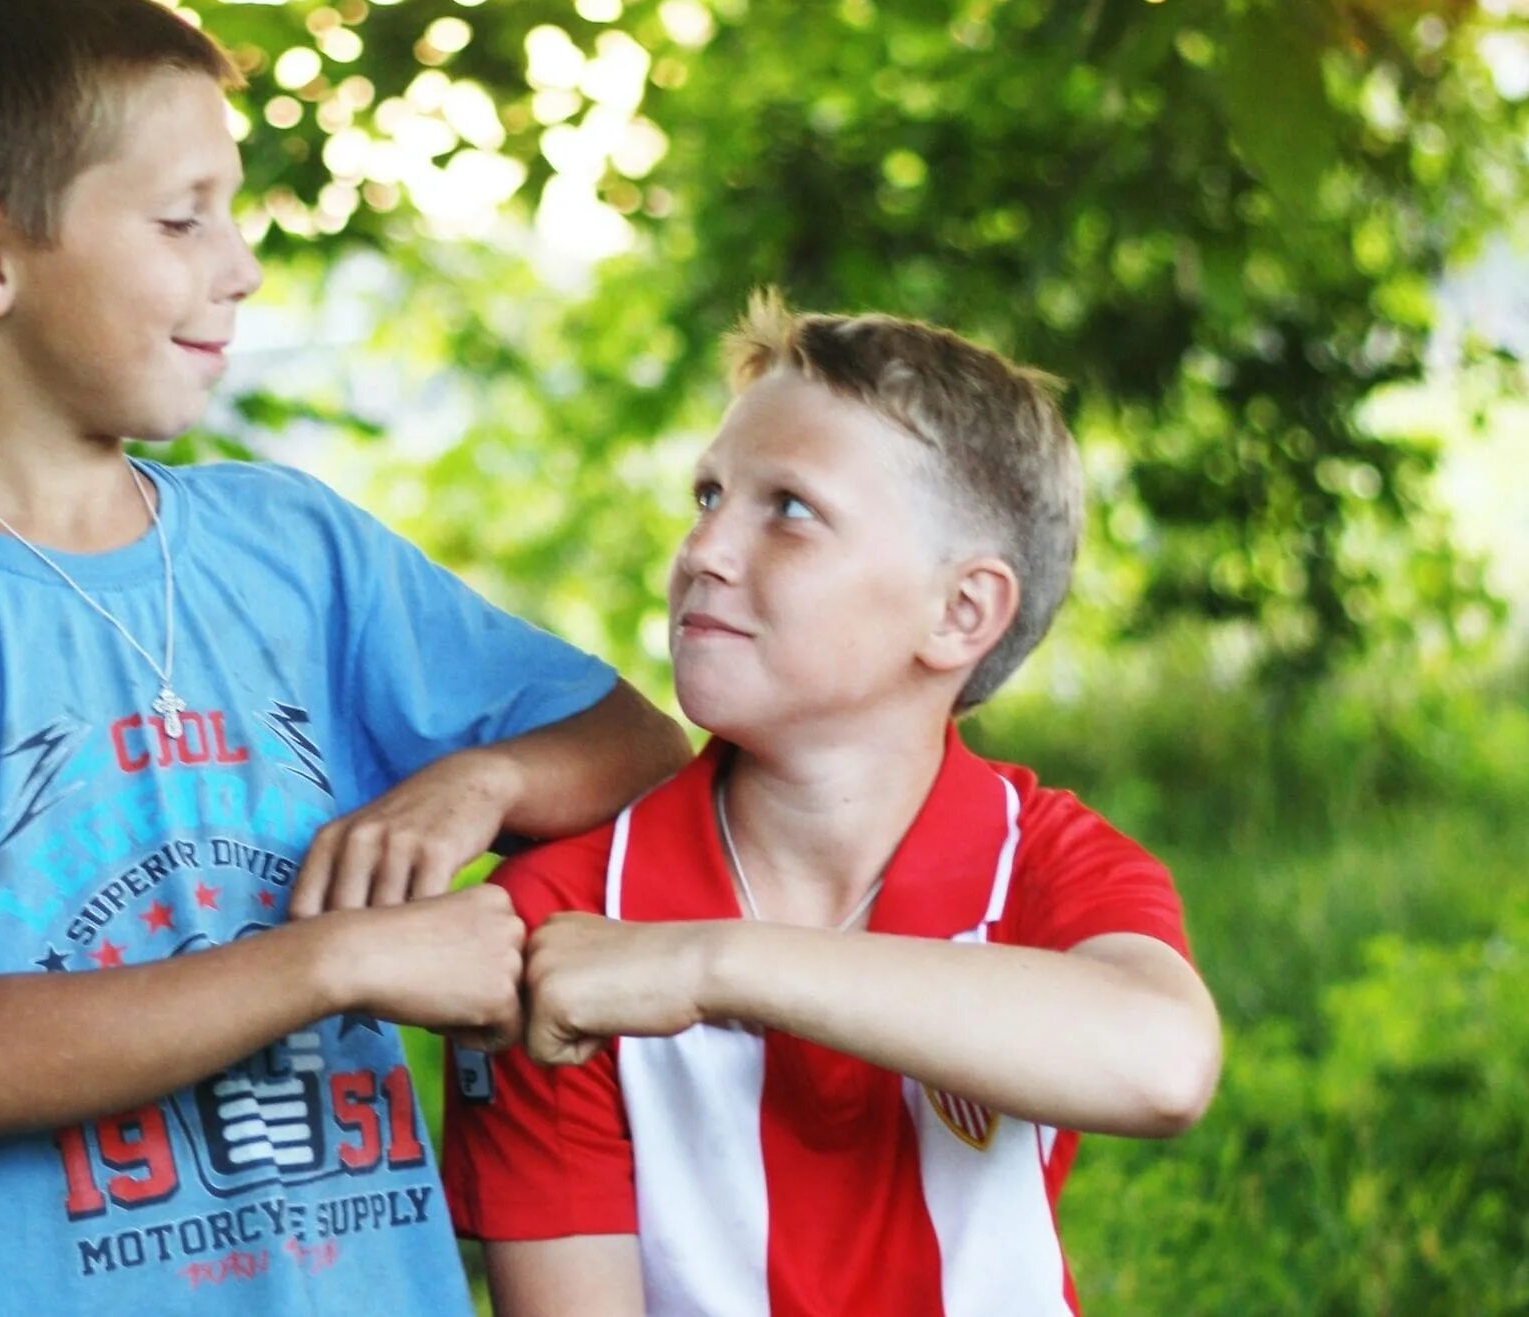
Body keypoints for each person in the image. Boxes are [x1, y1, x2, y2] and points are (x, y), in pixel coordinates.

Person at [0, 0, 689, 1314]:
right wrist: (341, 960)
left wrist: (480, 782)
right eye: (183, 219)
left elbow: (639, 749)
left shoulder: (296, 548)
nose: (239, 265)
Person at [442, 293, 1222, 1317]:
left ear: (957, 614)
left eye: (790, 510)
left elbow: (1159, 1067)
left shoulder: (1041, 861)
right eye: (708, 496)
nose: (704, 552)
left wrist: (707, 963)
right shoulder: (562, 918)